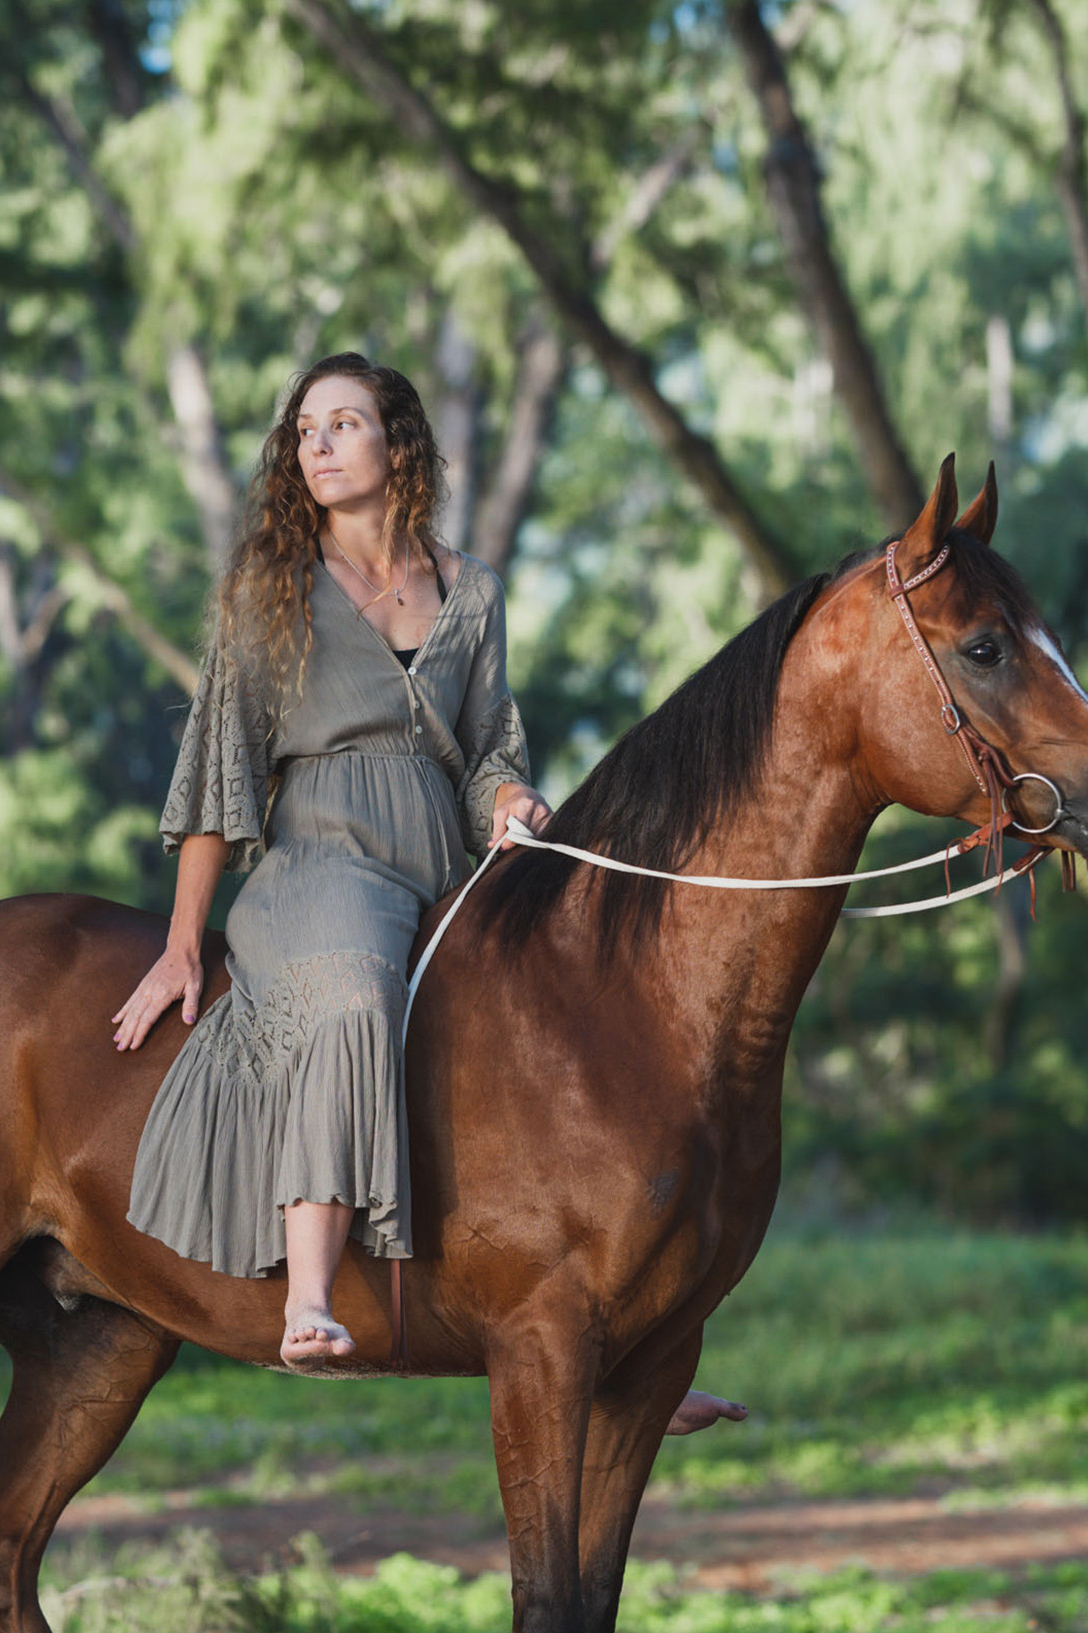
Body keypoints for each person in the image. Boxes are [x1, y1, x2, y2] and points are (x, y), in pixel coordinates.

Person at [112, 351, 746, 1428]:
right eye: (303, 429)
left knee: (559, 1012)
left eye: (342, 423)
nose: (314, 445)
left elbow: (492, 745)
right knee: (358, 988)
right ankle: (309, 1294)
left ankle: (619, 1337)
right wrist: (182, 943)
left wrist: (506, 802)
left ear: (396, 443)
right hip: (317, 859)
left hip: (439, 864)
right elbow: (217, 772)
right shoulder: (270, 587)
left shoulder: (473, 589)